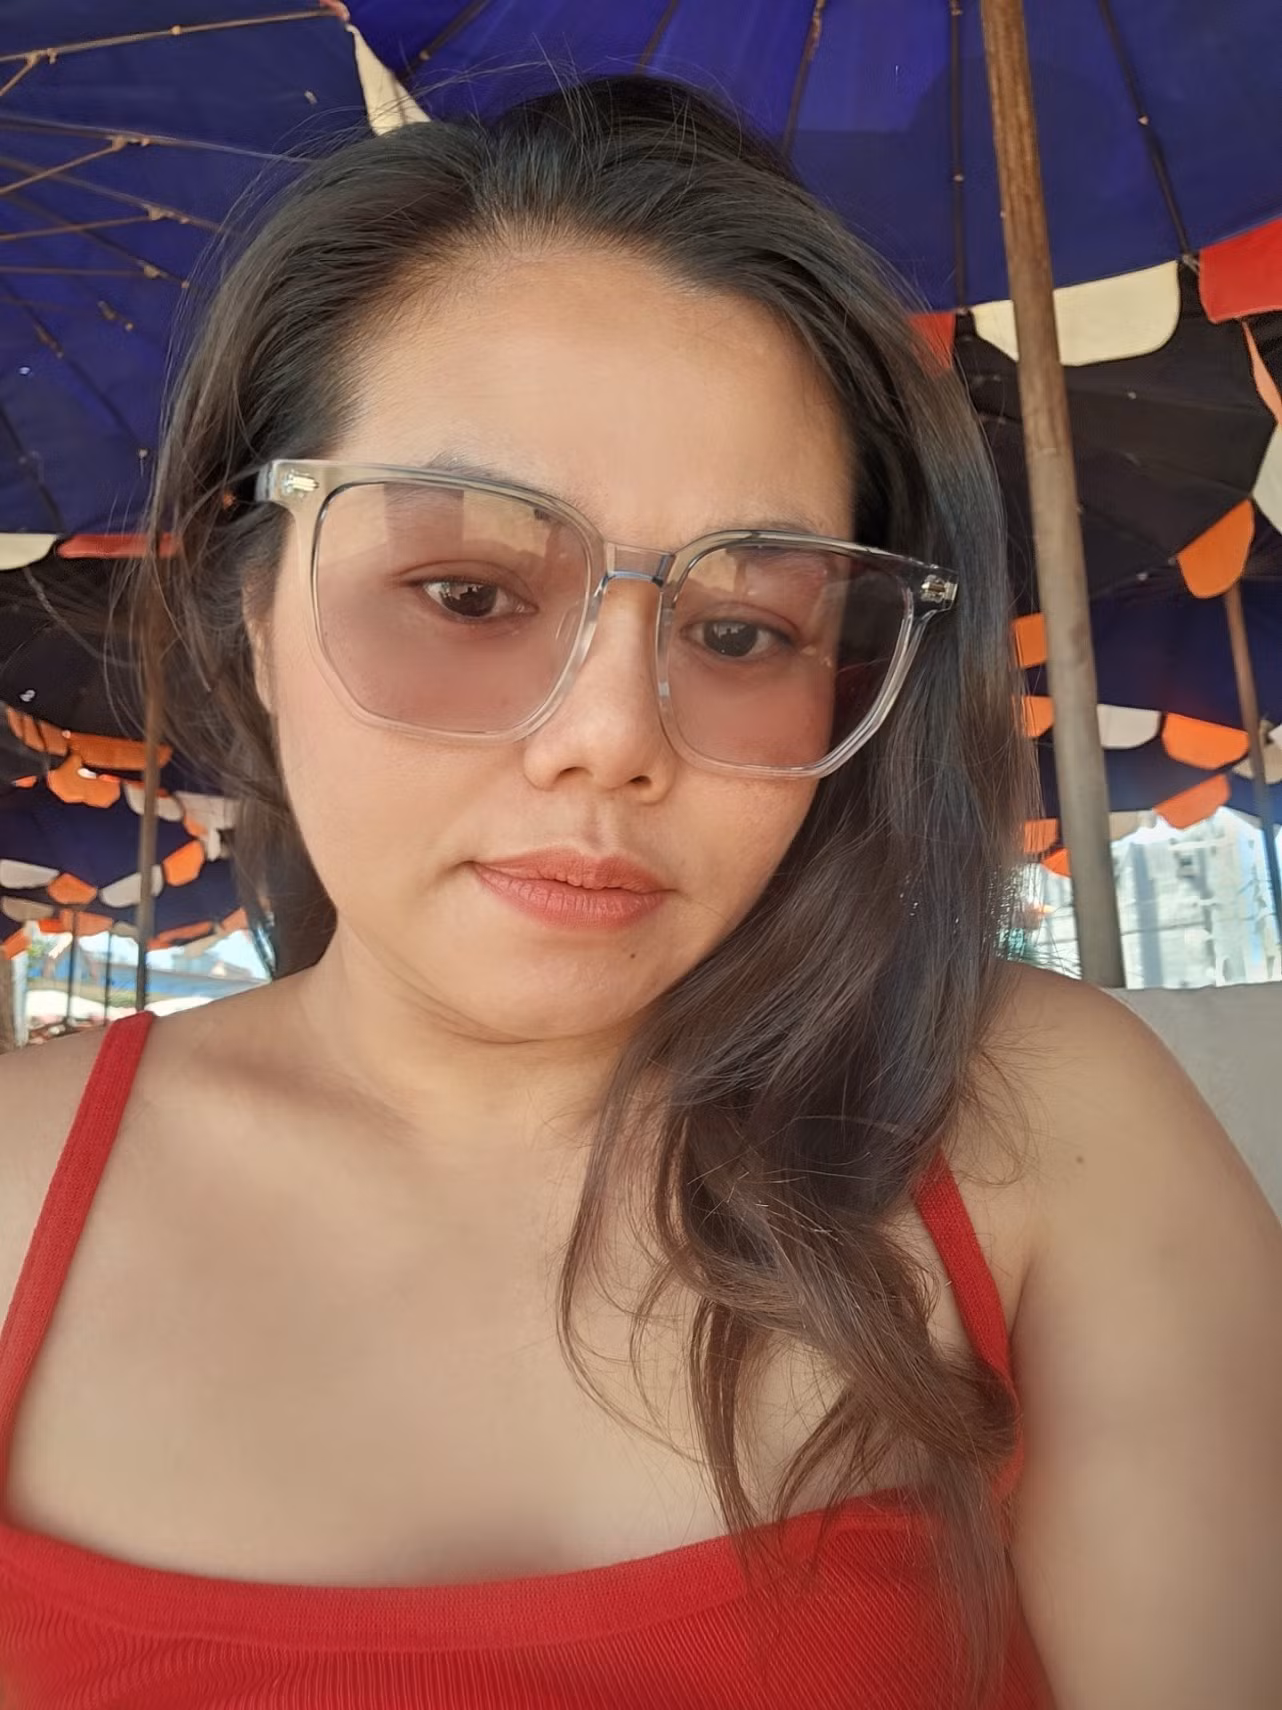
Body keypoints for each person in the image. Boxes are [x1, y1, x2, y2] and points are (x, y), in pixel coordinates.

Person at [0, 75, 1279, 1710]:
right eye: (465, 592)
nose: (609, 738)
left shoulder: (1040, 1127)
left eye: (741, 631)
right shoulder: (16, 1188)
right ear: (254, 616)